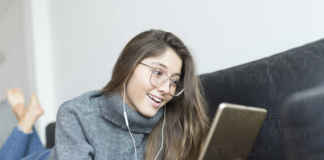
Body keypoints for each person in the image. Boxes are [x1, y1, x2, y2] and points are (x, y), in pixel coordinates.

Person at [0, 29, 210, 160]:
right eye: (158, 73)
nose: (167, 89)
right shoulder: (78, 113)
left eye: (174, 81)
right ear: (128, 67)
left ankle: (24, 116)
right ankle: (25, 118)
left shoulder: (172, 125)